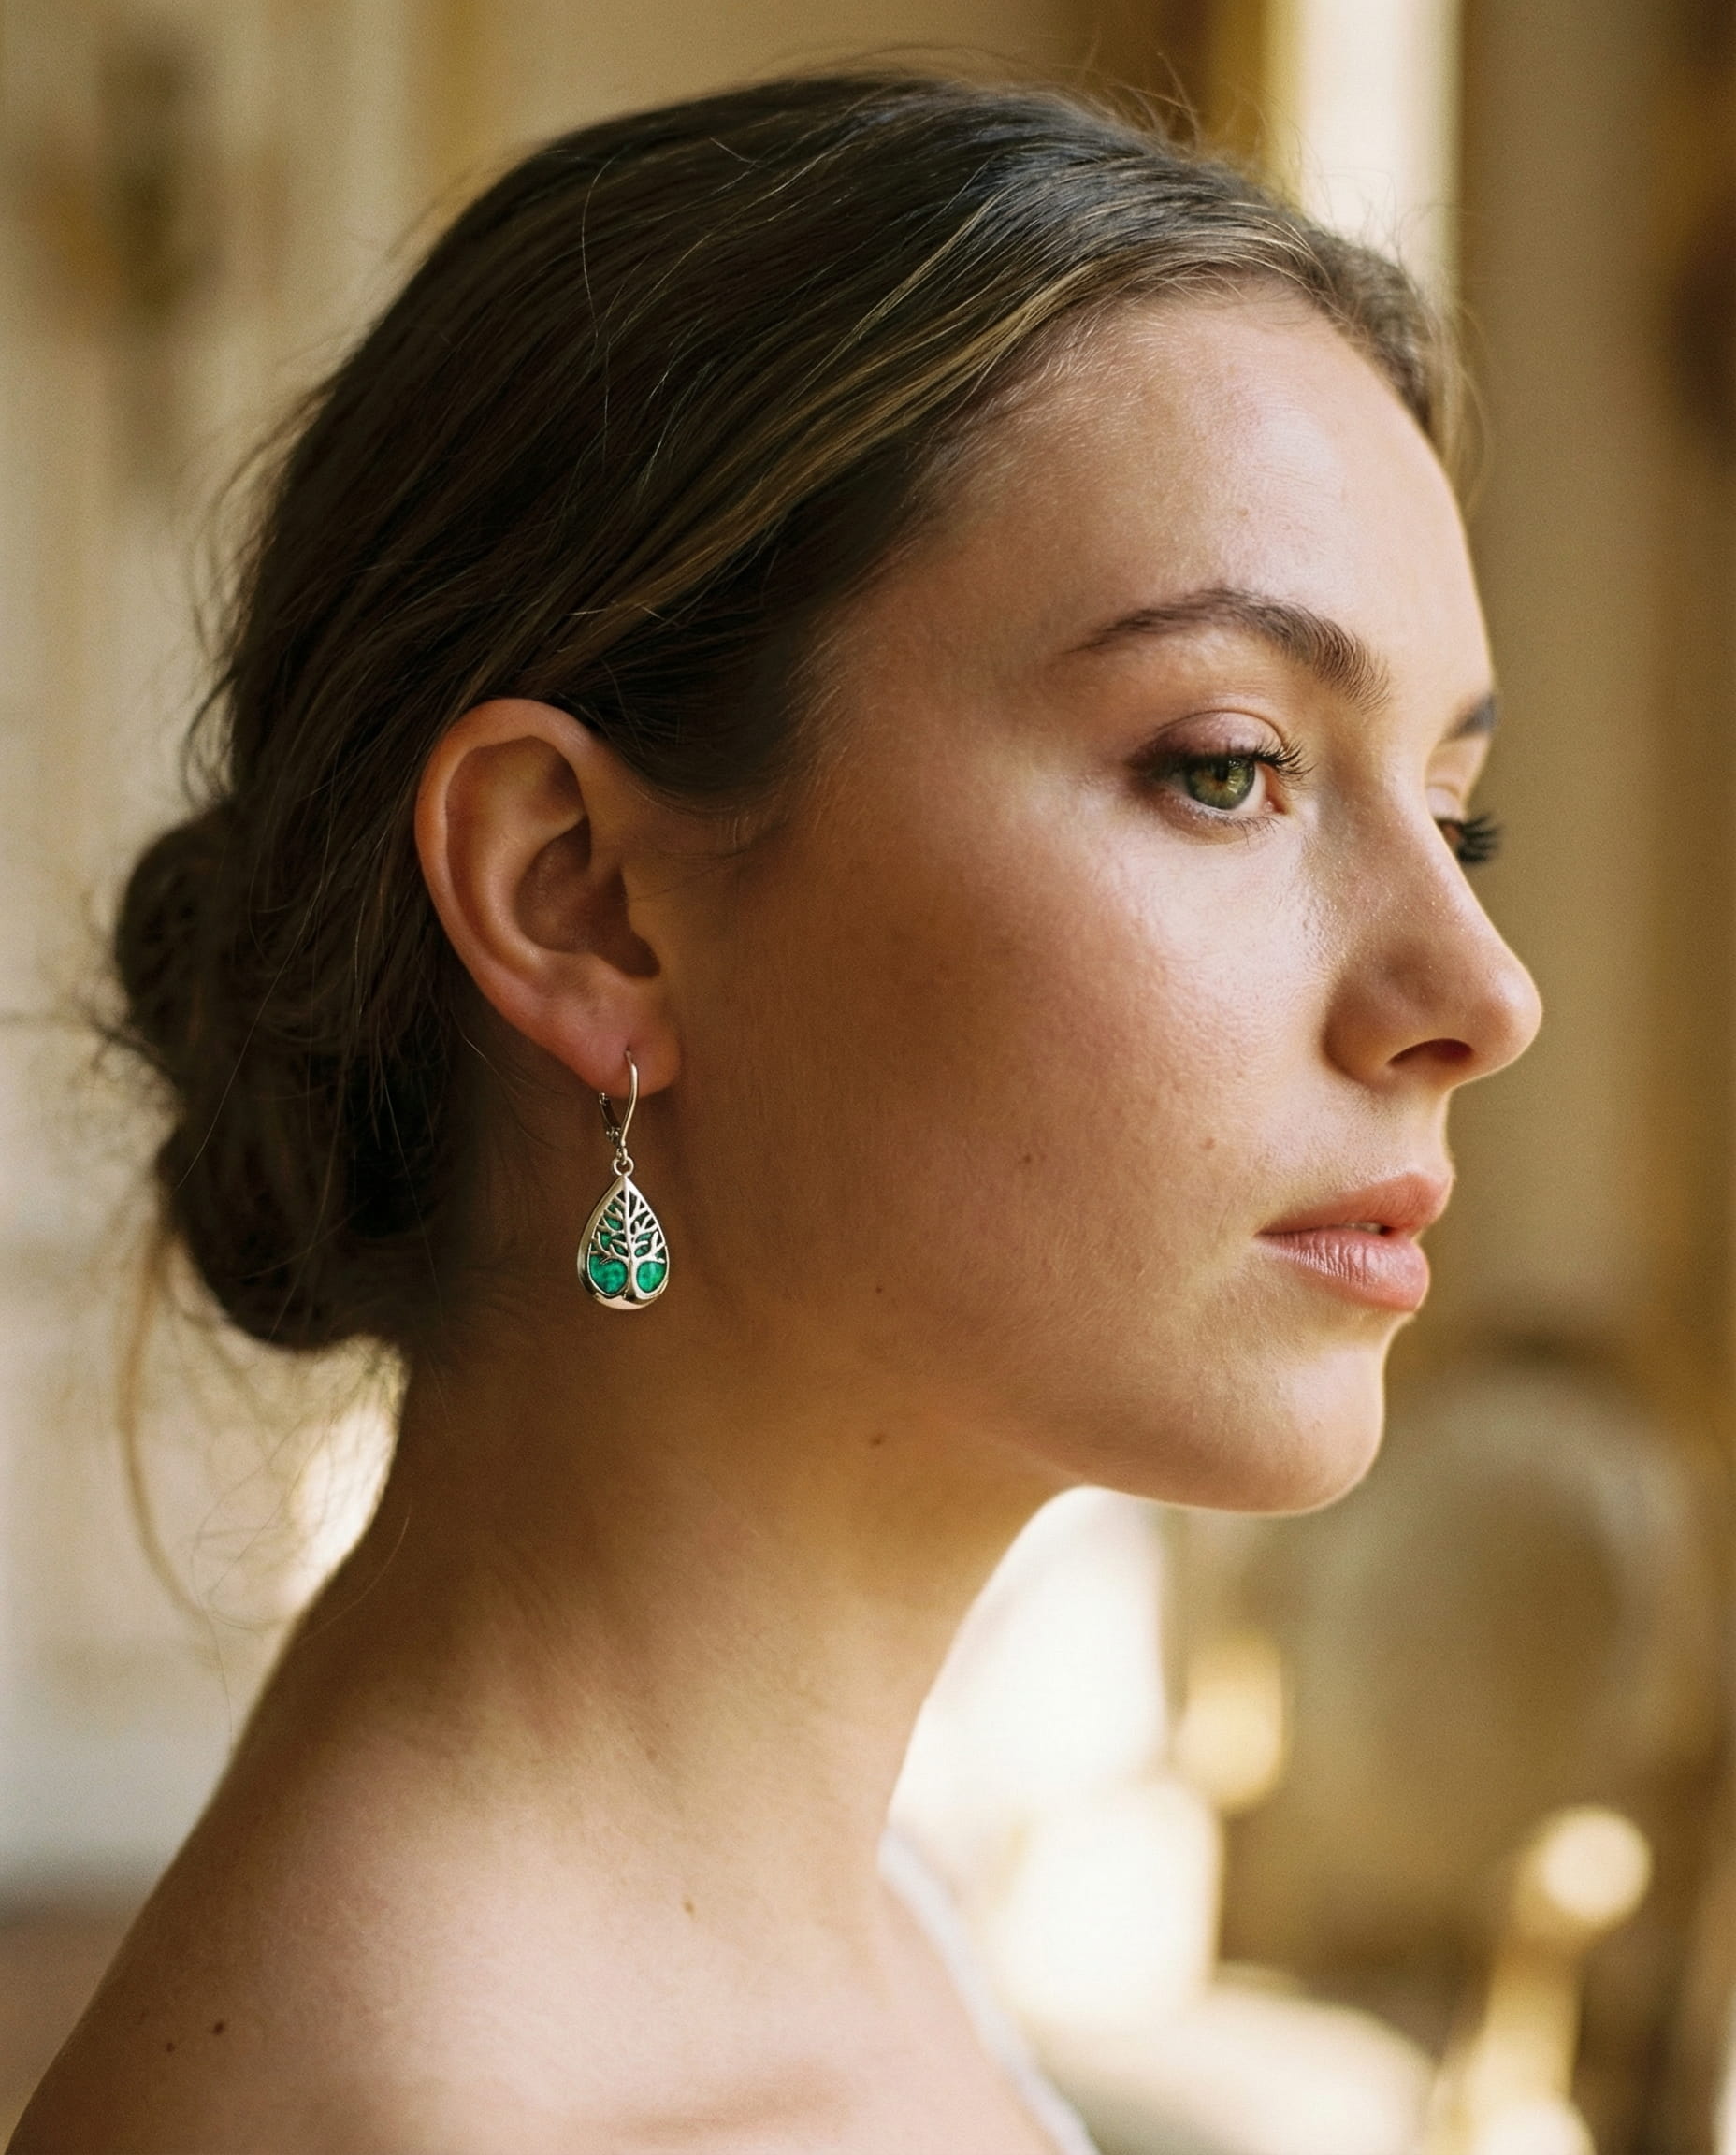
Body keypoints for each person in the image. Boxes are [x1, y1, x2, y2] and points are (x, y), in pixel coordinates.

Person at [12, 70, 1540, 2155]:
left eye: (1461, 816)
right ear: (583, 898)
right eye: (1223, 765)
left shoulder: (856, 1927)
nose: (1481, 995)